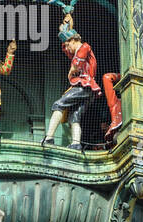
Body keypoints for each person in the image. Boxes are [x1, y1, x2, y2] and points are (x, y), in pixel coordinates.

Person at [42, 13, 101, 150]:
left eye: (68, 45)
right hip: (86, 90)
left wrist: (71, 71)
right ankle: (76, 143)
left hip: (84, 86)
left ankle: (49, 137)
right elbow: (69, 50)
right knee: (74, 116)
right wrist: (68, 26)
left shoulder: (84, 47)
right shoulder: (75, 49)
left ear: (74, 41)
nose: (67, 48)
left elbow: (76, 65)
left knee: (59, 104)